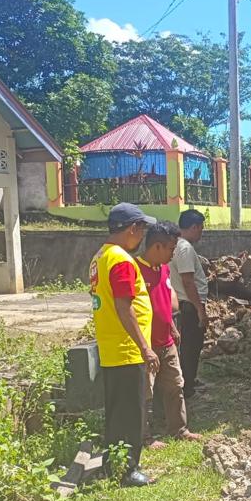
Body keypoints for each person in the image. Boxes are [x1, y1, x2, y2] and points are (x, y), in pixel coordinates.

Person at [89, 203, 158, 486]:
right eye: (142, 229)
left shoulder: (100, 257)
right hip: (127, 349)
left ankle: (112, 463)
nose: (142, 237)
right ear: (132, 229)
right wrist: (145, 347)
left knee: (117, 411)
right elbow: (123, 306)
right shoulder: (121, 261)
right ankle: (128, 470)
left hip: (111, 347)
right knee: (131, 413)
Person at [137, 222, 203, 448]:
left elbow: (166, 299)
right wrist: (144, 347)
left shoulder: (163, 269)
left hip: (167, 340)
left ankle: (179, 429)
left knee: (176, 384)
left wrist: (173, 328)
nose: (173, 253)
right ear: (157, 246)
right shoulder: (136, 269)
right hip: (146, 343)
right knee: (146, 391)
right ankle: (145, 437)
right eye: (171, 249)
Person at [169, 209, 209, 399]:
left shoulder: (176, 245)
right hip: (189, 304)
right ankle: (187, 387)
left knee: (189, 346)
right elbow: (188, 281)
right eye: (200, 228)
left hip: (184, 302)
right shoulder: (184, 248)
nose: (201, 233)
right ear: (193, 227)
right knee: (191, 347)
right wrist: (200, 309)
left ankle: (188, 381)